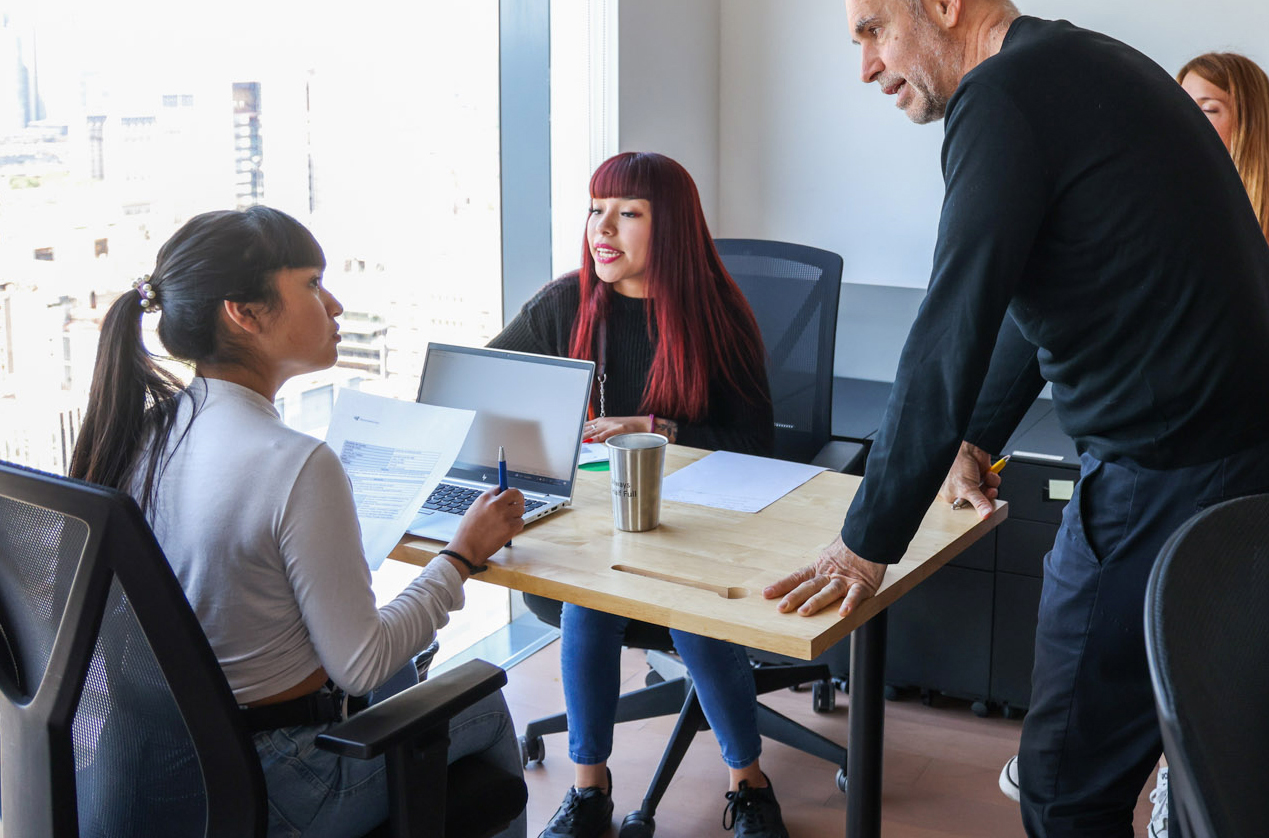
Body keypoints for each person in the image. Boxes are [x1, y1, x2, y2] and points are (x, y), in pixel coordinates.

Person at [763, 0, 1269, 838]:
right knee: (1194, 741)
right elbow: (1037, 293)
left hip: (1168, 482)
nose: (864, 65)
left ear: (942, 0)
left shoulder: (1001, 101)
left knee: (1061, 784)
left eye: (872, 30)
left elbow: (952, 323)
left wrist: (866, 538)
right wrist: (976, 439)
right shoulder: (1088, 65)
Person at [68, 205, 527, 838]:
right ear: (245, 313)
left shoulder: (143, 432)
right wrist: (461, 557)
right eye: (312, 283)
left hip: (159, 767)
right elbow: (360, 666)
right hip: (279, 781)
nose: (334, 305)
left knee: (406, 659)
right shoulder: (295, 462)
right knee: (480, 697)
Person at [488, 151, 786, 838]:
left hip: (705, 531)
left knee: (683, 597)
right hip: (600, 535)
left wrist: (659, 427)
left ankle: (748, 782)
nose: (604, 228)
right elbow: (489, 389)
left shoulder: (718, 318)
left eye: (628, 213)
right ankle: (588, 791)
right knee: (592, 596)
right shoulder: (564, 305)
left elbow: (757, 447)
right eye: (597, 209)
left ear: (671, 226)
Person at [1178, 51, 1269, 295]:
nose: (1185, 121)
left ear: (1248, 122)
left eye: (1208, 110)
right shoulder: (1160, 211)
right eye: (1181, 107)